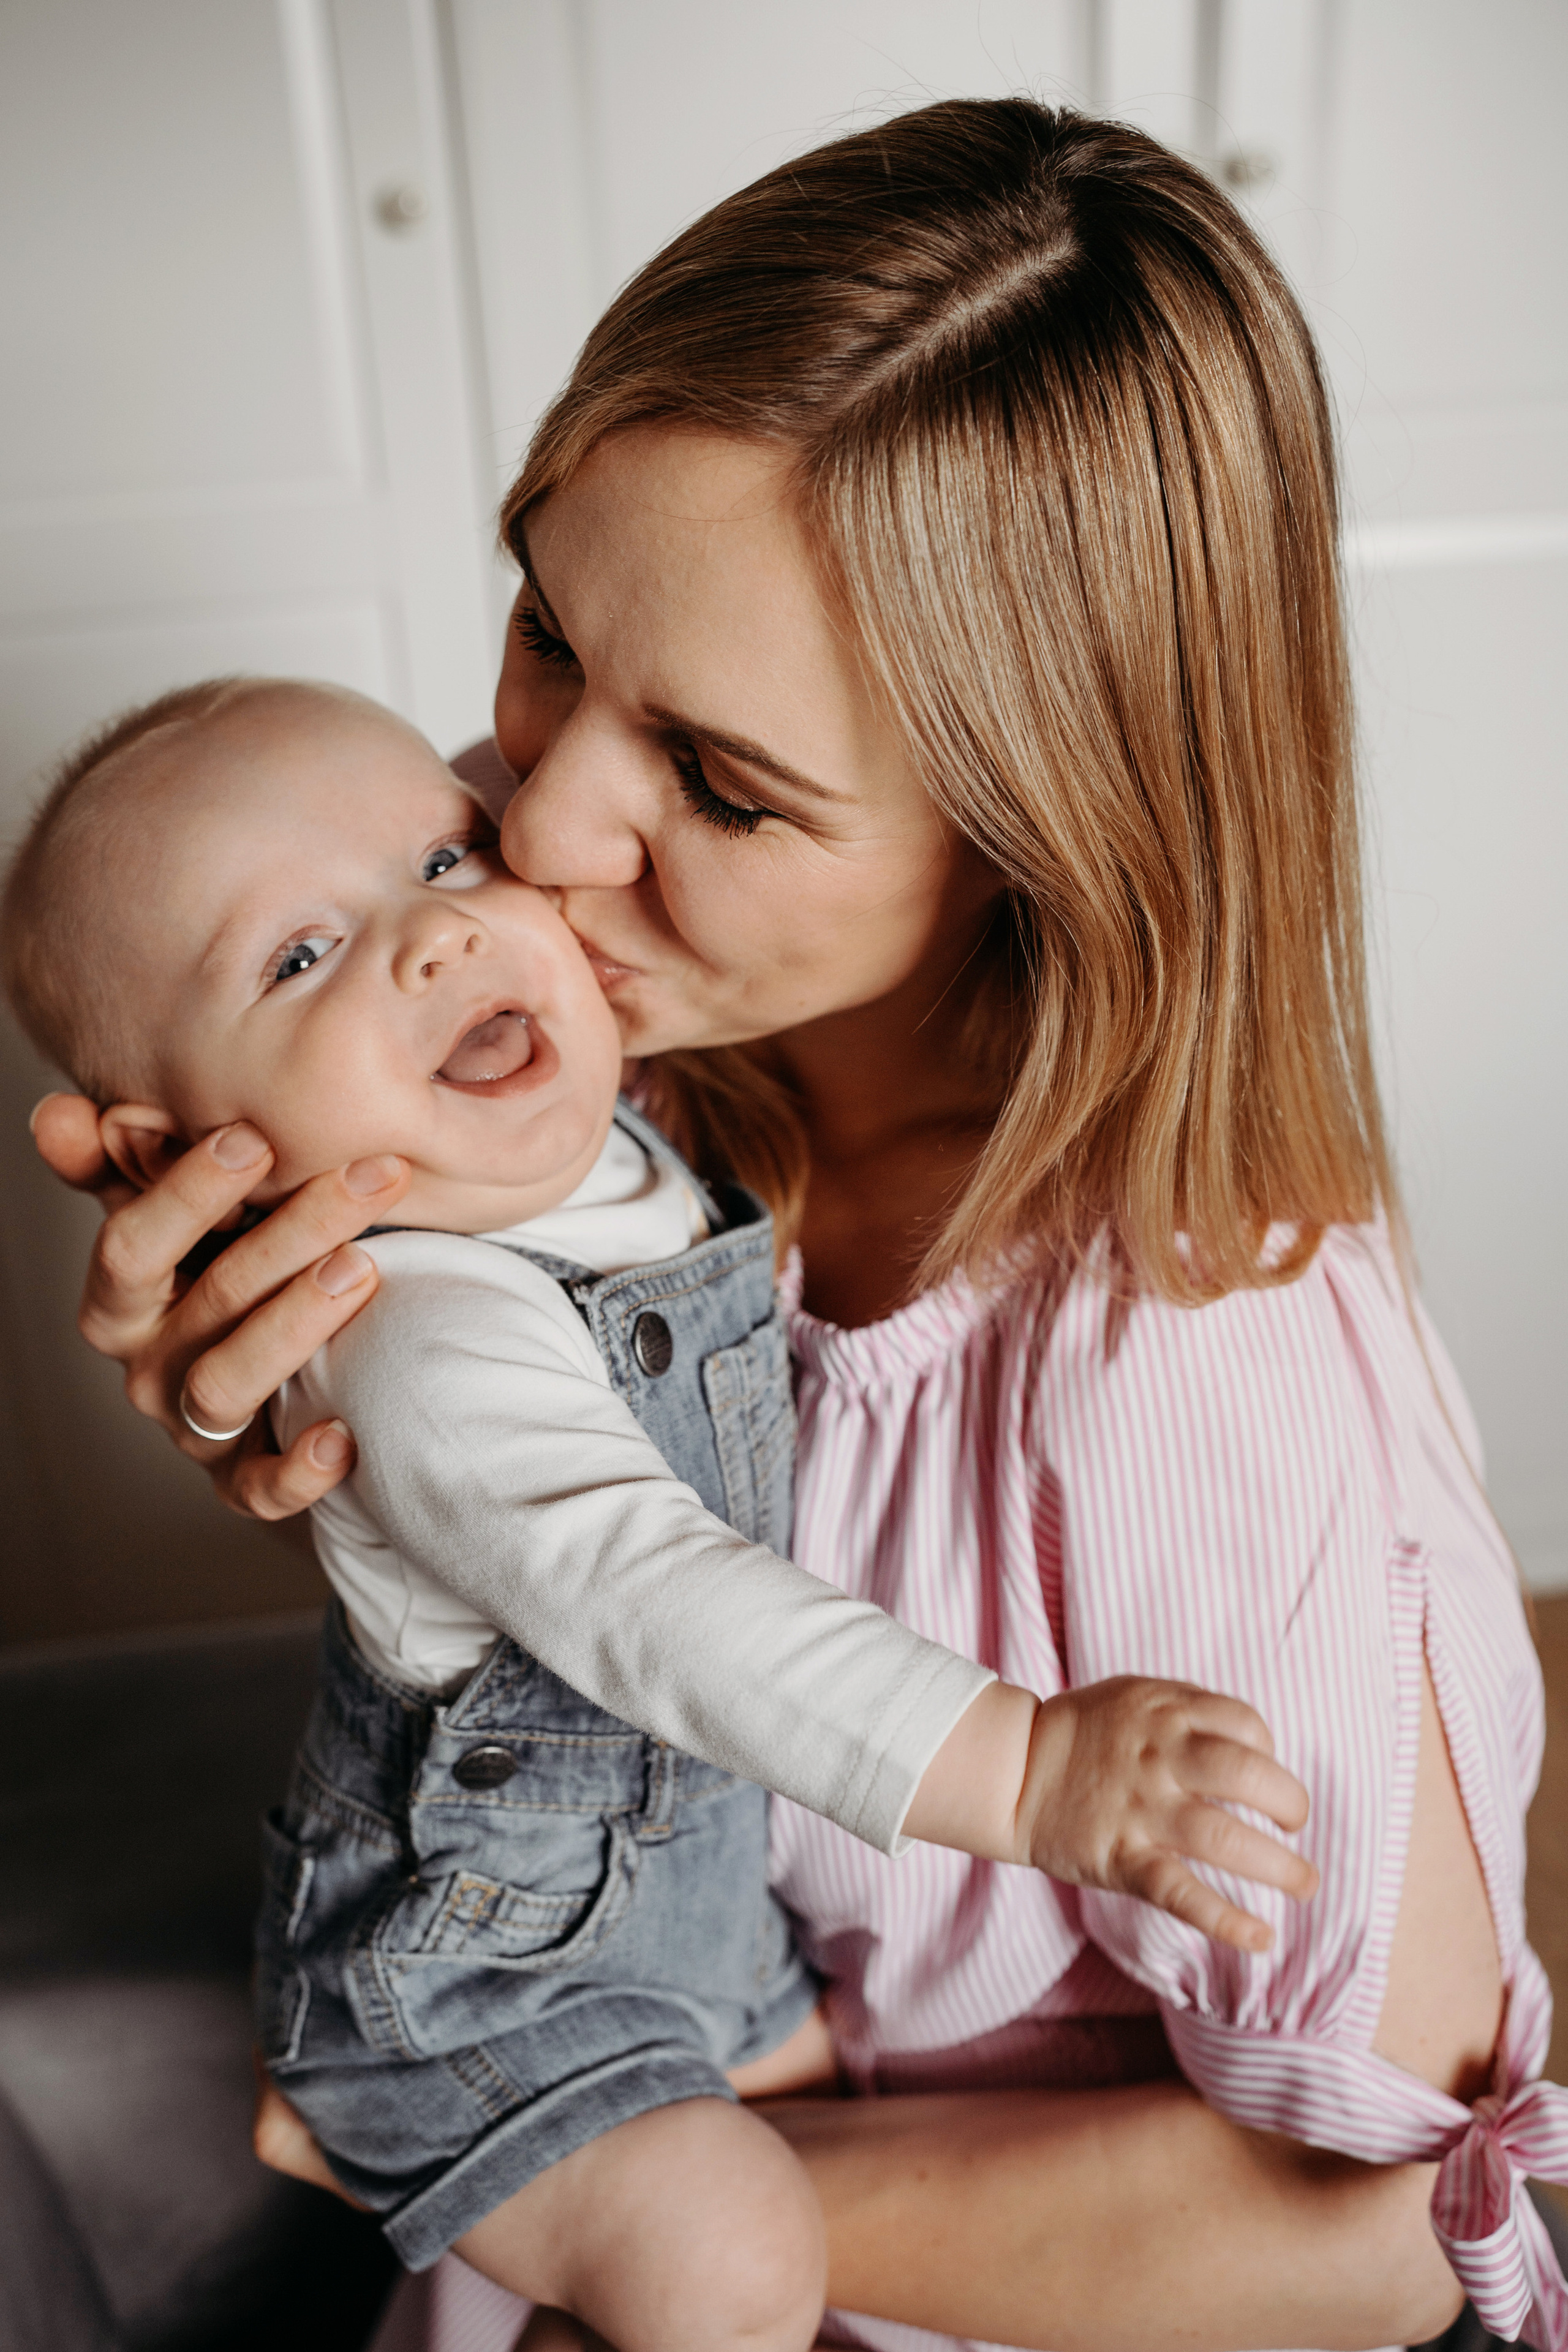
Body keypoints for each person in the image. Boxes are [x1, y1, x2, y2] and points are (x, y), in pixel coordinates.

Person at [27, 98, 1565, 2352]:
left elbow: (1380, 2231)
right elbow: (562, 1575)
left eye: (723, 784)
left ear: (1050, 839)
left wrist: (525, 2177)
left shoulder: (1185, 1371)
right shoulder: (549, 979)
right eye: (545, 631)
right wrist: (326, 1430)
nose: (533, 832)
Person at [1, 674, 1316, 2352]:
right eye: (299, 957)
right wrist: (1029, 1770)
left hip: (690, 1924)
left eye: (446, 859)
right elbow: (658, 1599)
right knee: (728, 2255)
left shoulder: (546, 1123)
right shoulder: (420, 1339)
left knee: (837, 2162)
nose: (435, 938)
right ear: (181, 1151)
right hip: (480, 1984)